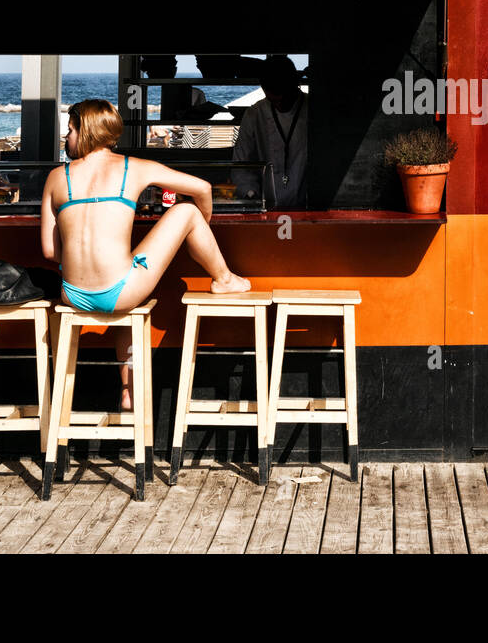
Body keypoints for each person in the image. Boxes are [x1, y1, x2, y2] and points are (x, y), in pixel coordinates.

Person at [40, 99, 250, 409]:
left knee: (123, 303)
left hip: (72, 293)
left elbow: (49, 251)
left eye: (70, 131)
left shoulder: (57, 177)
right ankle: (224, 278)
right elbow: (203, 188)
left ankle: (128, 389)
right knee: (187, 212)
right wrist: (198, 230)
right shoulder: (133, 167)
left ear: (86, 132)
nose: (66, 138)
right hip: (122, 291)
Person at [232, 55, 308, 209]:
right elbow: (242, 164)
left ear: (296, 85)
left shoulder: (313, 110)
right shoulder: (255, 114)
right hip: (266, 204)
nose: (280, 104)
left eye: (285, 98)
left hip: (308, 204)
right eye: (274, 100)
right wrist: (250, 194)